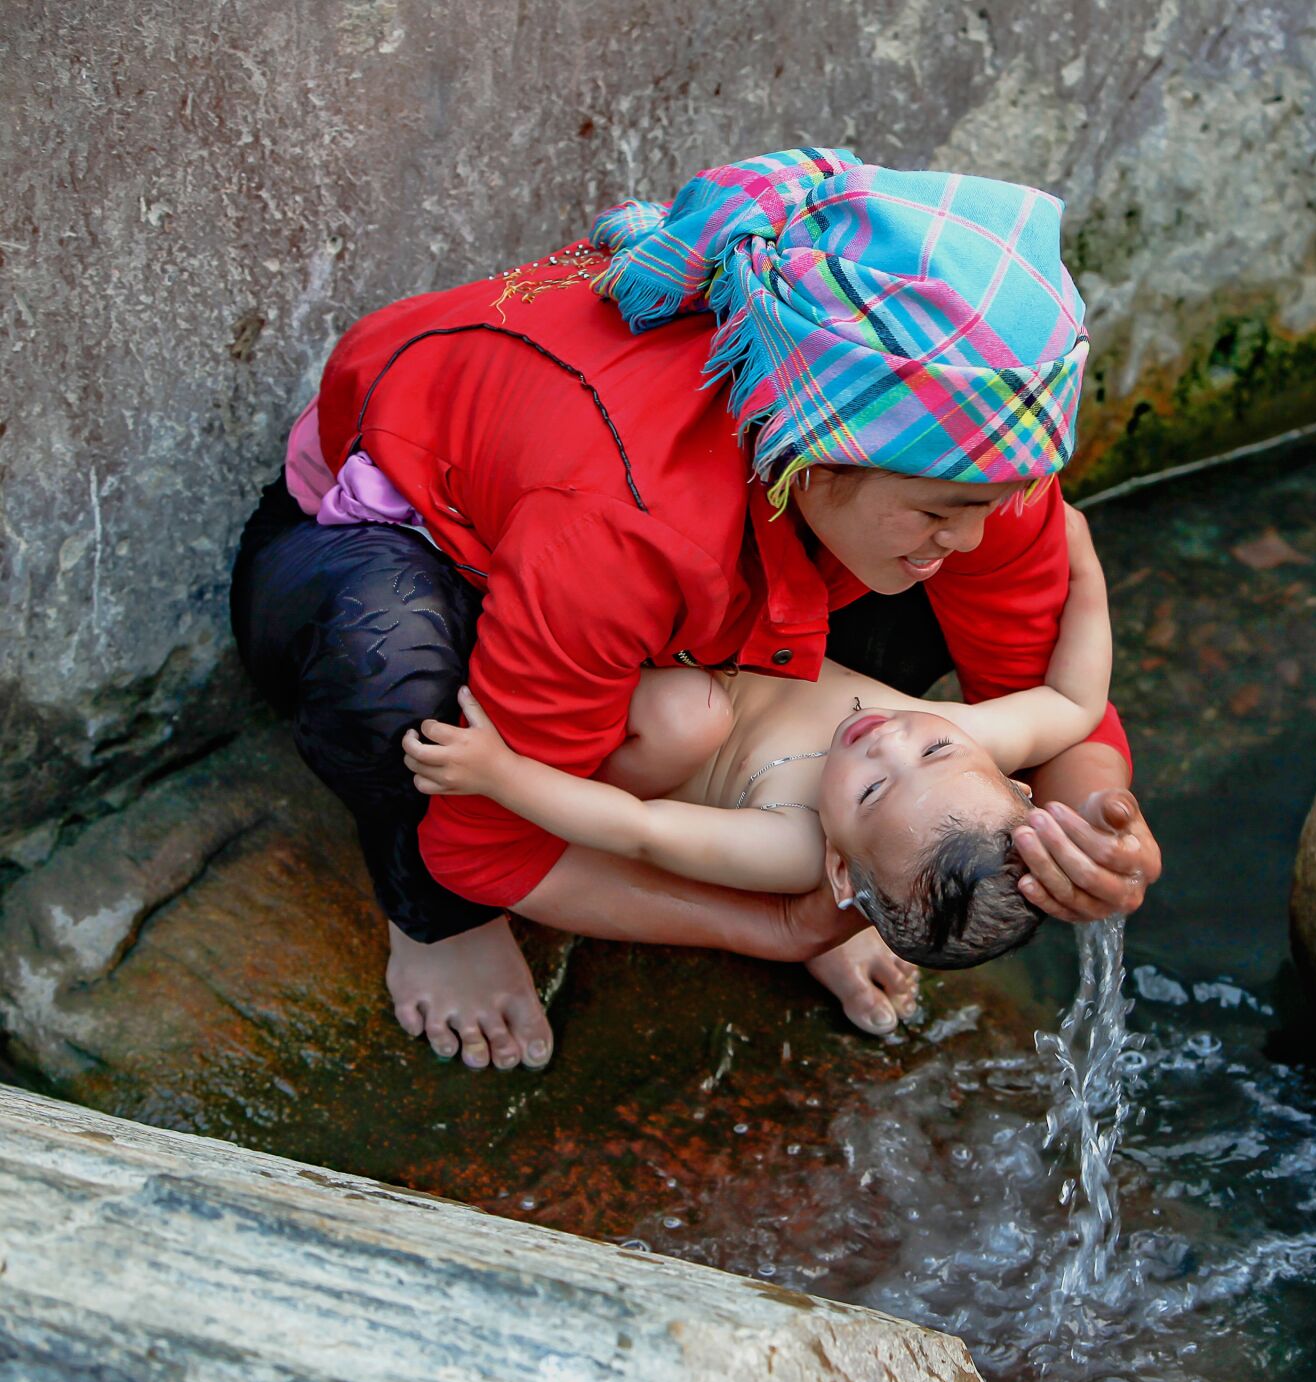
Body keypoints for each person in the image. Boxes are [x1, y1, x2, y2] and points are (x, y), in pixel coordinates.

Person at [230, 147, 1162, 1072]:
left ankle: (855, 825)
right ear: (813, 457)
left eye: (1004, 504)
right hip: (410, 547)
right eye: (943, 511)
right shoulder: (628, 528)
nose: (979, 533)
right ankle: (432, 923)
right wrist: (787, 929)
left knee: (881, 602)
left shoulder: (967, 454)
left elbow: (1050, 689)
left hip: (681, 616)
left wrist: (1093, 831)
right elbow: (490, 839)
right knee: (392, 672)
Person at [399, 500, 1113, 1009]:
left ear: (838, 865)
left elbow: (636, 831)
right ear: (1017, 788)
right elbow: (1075, 702)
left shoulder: (789, 846)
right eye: (932, 745)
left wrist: (503, 775)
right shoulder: (976, 745)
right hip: (739, 651)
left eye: (870, 792)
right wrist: (1079, 564)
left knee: (689, 718)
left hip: (644, 750)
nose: (888, 740)